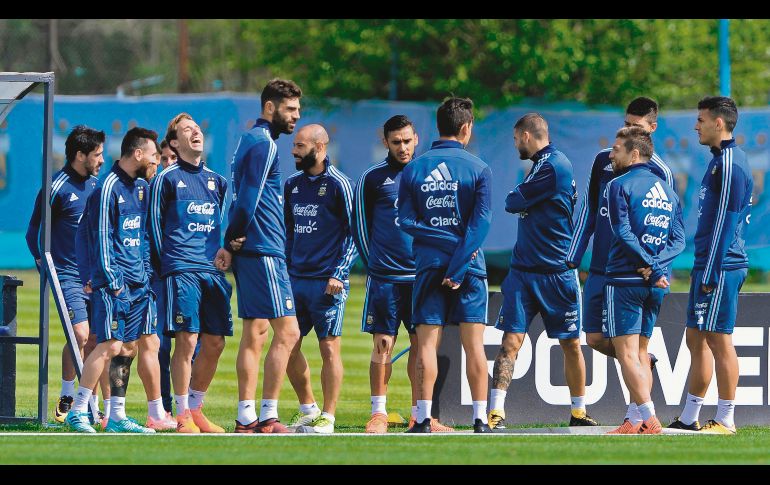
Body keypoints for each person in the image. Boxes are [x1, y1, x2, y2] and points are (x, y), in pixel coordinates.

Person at [565, 97, 676, 427]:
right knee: (596, 339)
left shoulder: (661, 172)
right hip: (601, 267)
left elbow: (664, 224)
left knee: (634, 349)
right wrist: (573, 255)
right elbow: (587, 210)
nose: (628, 129)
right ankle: (645, 369)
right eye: (626, 122)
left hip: (634, 272)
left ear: (650, 130)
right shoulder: (604, 161)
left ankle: (635, 418)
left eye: (636, 126)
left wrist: (654, 266)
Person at [489, 113, 595, 429]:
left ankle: (578, 412)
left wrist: (523, 200)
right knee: (511, 341)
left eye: (515, 139)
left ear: (525, 135)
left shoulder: (553, 164)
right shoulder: (540, 165)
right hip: (523, 272)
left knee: (571, 343)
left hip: (557, 271)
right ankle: (496, 412)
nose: (515, 145)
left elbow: (512, 201)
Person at [352, 115, 453, 433]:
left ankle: (421, 415)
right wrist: (375, 267)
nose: (403, 147)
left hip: (422, 277)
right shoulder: (371, 178)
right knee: (383, 343)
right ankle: (378, 414)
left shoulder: (429, 175)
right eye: (396, 142)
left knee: (422, 346)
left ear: (417, 139)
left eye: (407, 141)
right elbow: (359, 227)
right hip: (385, 279)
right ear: (385, 142)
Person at [398, 97, 492, 433]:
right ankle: (481, 419)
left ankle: (422, 418)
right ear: (466, 128)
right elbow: (480, 226)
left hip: (427, 266)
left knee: (425, 345)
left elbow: (406, 220)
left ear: (438, 127)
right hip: (468, 268)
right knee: (474, 346)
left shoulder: (413, 168)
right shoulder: (479, 168)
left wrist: (436, 237)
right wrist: (457, 262)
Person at [214, 79, 302, 434]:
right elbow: (247, 199)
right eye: (290, 109)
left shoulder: (248, 139)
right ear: (270, 107)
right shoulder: (264, 144)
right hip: (264, 248)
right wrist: (232, 238)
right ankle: (267, 415)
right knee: (289, 331)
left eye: (297, 109)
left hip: (255, 249)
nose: (296, 116)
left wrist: (231, 241)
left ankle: (246, 415)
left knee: (256, 332)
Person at [65, 127, 161, 433]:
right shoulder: (108, 188)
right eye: (153, 154)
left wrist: (144, 274)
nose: (155, 160)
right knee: (108, 344)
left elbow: (142, 235)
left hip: (138, 284)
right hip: (114, 285)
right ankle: (78, 410)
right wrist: (113, 281)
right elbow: (101, 238)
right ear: (137, 154)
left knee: (128, 348)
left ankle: (117, 415)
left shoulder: (142, 188)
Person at [669, 96, 753, 434]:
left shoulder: (732, 161)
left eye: (701, 119)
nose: (696, 125)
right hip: (706, 262)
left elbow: (726, 221)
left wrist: (712, 270)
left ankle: (726, 418)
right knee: (695, 337)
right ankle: (690, 417)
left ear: (719, 123)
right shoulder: (718, 160)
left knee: (720, 340)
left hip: (722, 265)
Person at [148, 113, 232, 433]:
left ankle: (196, 409)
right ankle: (181, 414)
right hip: (181, 270)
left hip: (212, 272)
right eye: (187, 130)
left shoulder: (218, 182)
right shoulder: (166, 179)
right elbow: (154, 228)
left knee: (215, 342)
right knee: (187, 339)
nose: (195, 132)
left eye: (197, 128)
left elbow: (221, 227)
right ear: (174, 143)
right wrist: (167, 264)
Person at [602, 126, 685, 434]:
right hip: (657, 284)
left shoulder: (618, 185)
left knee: (626, 354)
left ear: (633, 153)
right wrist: (658, 268)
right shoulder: (669, 191)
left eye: (616, 150)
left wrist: (648, 264)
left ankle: (649, 417)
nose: (612, 155)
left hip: (624, 278)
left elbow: (622, 233)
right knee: (640, 354)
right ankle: (635, 420)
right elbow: (679, 241)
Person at [25, 125, 108, 424]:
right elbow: (33, 231)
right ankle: (67, 394)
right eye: (97, 155)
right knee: (80, 333)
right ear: (79, 155)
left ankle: (89, 404)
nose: (102, 159)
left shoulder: (98, 187)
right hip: (66, 274)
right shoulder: (56, 188)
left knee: (97, 340)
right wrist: (42, 263)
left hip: (94, 276)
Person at [281, 124, 357, 434]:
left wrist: (339, 273)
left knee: (329, 349)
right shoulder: (291, 184)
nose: (294, 151)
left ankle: (329, 416)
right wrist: (284, 270)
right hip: (295, 279)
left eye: (300, 146)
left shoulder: (341, 184)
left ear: (320, 147)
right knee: (285, 347)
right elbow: (288, 232)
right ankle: (308, 409)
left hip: (327, 282)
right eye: (294, 145)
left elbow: (355, 235)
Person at [150, 137, 182, 416]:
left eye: (173, 158)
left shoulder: (194, 187)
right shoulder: (152, 189)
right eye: (164, 159)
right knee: (159, 344)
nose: (168, 164)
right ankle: (163, 408)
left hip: (183, 277)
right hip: (157, 278)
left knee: (191, 344)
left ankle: (191, 407)